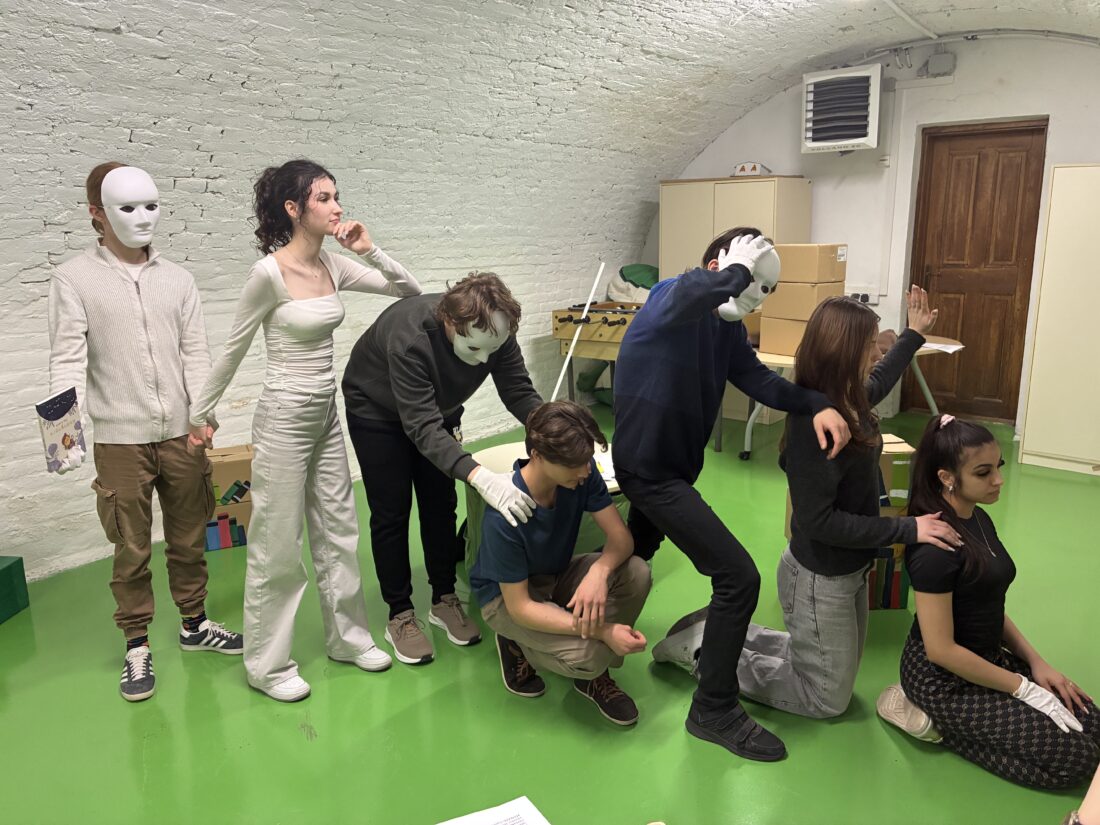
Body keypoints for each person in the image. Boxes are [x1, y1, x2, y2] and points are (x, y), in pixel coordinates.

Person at [653, 289, 962, 718]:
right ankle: (705, 653)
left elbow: (880, 380)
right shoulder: (814, 427)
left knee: (834, 673)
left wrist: (914, 333)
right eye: (870, 344)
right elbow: (820, 523)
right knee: (826, 699)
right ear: (844, 351)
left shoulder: (849, 399)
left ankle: (719, 629)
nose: (878, 351)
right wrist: (908, 529)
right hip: (820, 576)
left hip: (847, 568)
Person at [612, 227, 851, 761]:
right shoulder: (668, 299)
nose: (756, 295)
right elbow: (692, 293)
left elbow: (760, 381)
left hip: (674, 471)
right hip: (649, 473)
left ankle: (590, 622)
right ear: (719, 267)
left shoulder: (726, 331)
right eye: (750, 279)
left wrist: (816, 402)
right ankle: (713, 709)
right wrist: (734, 272)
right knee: (738, 578)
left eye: (767, 289)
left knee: (634, 552)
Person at [189, 159, 421, 702]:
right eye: (323, 198)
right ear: (293, 209)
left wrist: (370, 249)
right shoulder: (268, 274)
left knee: (339, 530)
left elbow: (409, 291)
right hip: (283, 418)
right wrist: (201, 413)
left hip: (325, 415)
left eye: (336, 196)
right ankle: (267, 666)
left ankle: (348, 639)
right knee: (277, 544)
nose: (336, 207)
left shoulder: (335, 265)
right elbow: (233, 348)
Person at [48, 162, 243, 703]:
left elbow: (195, 353)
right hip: (120, 439)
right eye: (128, 207)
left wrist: (203, 415)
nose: (143, 218)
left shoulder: (177, 280)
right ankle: (136, 643)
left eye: (152, 205)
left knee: (189, 536)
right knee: (131, 546)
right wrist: (62, 434)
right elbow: (67, 358)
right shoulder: (74, 279)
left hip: (181, 434)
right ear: (97, 213)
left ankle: (195, 624)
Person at [877, 416, 1099, 788]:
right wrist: (1024, 688)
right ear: (947, 477)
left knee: (1093, 725)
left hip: (986, 658)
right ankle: (933, 723)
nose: (998, 480)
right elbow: (940, 650)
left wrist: (1037, 663)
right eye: (983, 472)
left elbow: (987, 602)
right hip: (942, 680)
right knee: (1077, 762)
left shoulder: (978, 518)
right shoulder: (935, 549)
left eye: (998, 466)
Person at [342, 272, 542, 665]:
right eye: (473, 348)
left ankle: (444, 598)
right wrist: (480, 476)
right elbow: (422, 427)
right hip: (376, 410)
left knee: (440, 503)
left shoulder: (495, 330)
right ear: (450, 322)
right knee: (391, 509)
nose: (482, 360)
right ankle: (400, 614)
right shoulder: (411, 338)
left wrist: (552, 428)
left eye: (491, 350)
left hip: (437, 409)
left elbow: (518, 390)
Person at [469, 401, 651, 725]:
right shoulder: (503, 515)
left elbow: (621, 540)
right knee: (592, 655)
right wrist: (603, 631)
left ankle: (587, 671)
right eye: (573, 465)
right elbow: (521, 607)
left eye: (586, 461)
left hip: (554, 574)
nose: (584, 471)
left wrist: (599, 572)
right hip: (507, 598)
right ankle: (516, 643)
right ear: (537, 455)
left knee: (637, 572)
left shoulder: (580, 471)